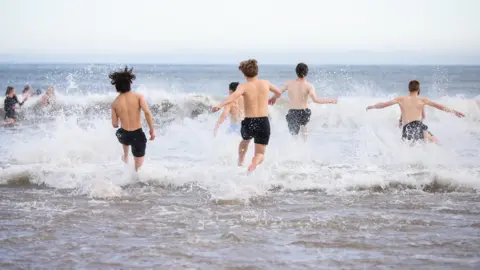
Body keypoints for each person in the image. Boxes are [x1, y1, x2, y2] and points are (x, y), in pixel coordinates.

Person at [212, 59, 282, 172]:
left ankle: (240, 162)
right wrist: (273, 98)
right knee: (260, 153)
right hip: (263, 121)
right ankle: (254, 163)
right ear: (257, 71)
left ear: (244, 74)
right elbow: (278, 92)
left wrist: (220, 105)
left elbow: (233, 96)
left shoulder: (243, 86)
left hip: (249, 122)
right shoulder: (266, 83)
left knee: (245, 141)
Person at [366, 80, 464, 143]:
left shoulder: (401, 99)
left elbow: (383, 105)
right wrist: (454, 112)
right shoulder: (422, 100)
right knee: (436, 142)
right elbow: (439, 107)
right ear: (418, 89)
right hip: (418, 126)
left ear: (409, 89)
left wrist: (373, 106)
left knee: (410, 150)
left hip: (407, 129)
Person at [271, 63, 337, 140]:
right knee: (304, 130)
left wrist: (273, 98)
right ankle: (304, 147)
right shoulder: (309, 86)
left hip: (292, 112)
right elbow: (316, 100)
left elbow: (278, 92)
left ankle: (295, 149)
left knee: (294, 135)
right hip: (304, 112)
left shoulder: (289, 84)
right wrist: (331, 100)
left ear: (296, 72)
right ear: (306, 72)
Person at [110, 66, 155, 171]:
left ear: (117, 86)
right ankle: (135, 181)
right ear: (129, 84)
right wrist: (152, 131)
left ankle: (125, 155)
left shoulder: (115, 103)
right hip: (137, 135)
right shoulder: (138, 97)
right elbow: (147, 113)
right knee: (138, 168)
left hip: (124, 135)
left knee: (120, 132)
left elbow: (114, 125)